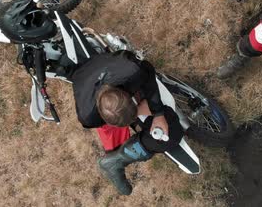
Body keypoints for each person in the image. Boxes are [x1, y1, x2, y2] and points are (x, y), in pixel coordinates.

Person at [71, 50, 183, 195]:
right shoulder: (88, 117)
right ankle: (115, 161)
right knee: (171, 134)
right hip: (85, 76)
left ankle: (117, 159)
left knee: (167, 123)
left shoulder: (134, 70)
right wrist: (144, 111)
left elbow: (148, 71)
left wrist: (158, 113)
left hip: (102, 66)